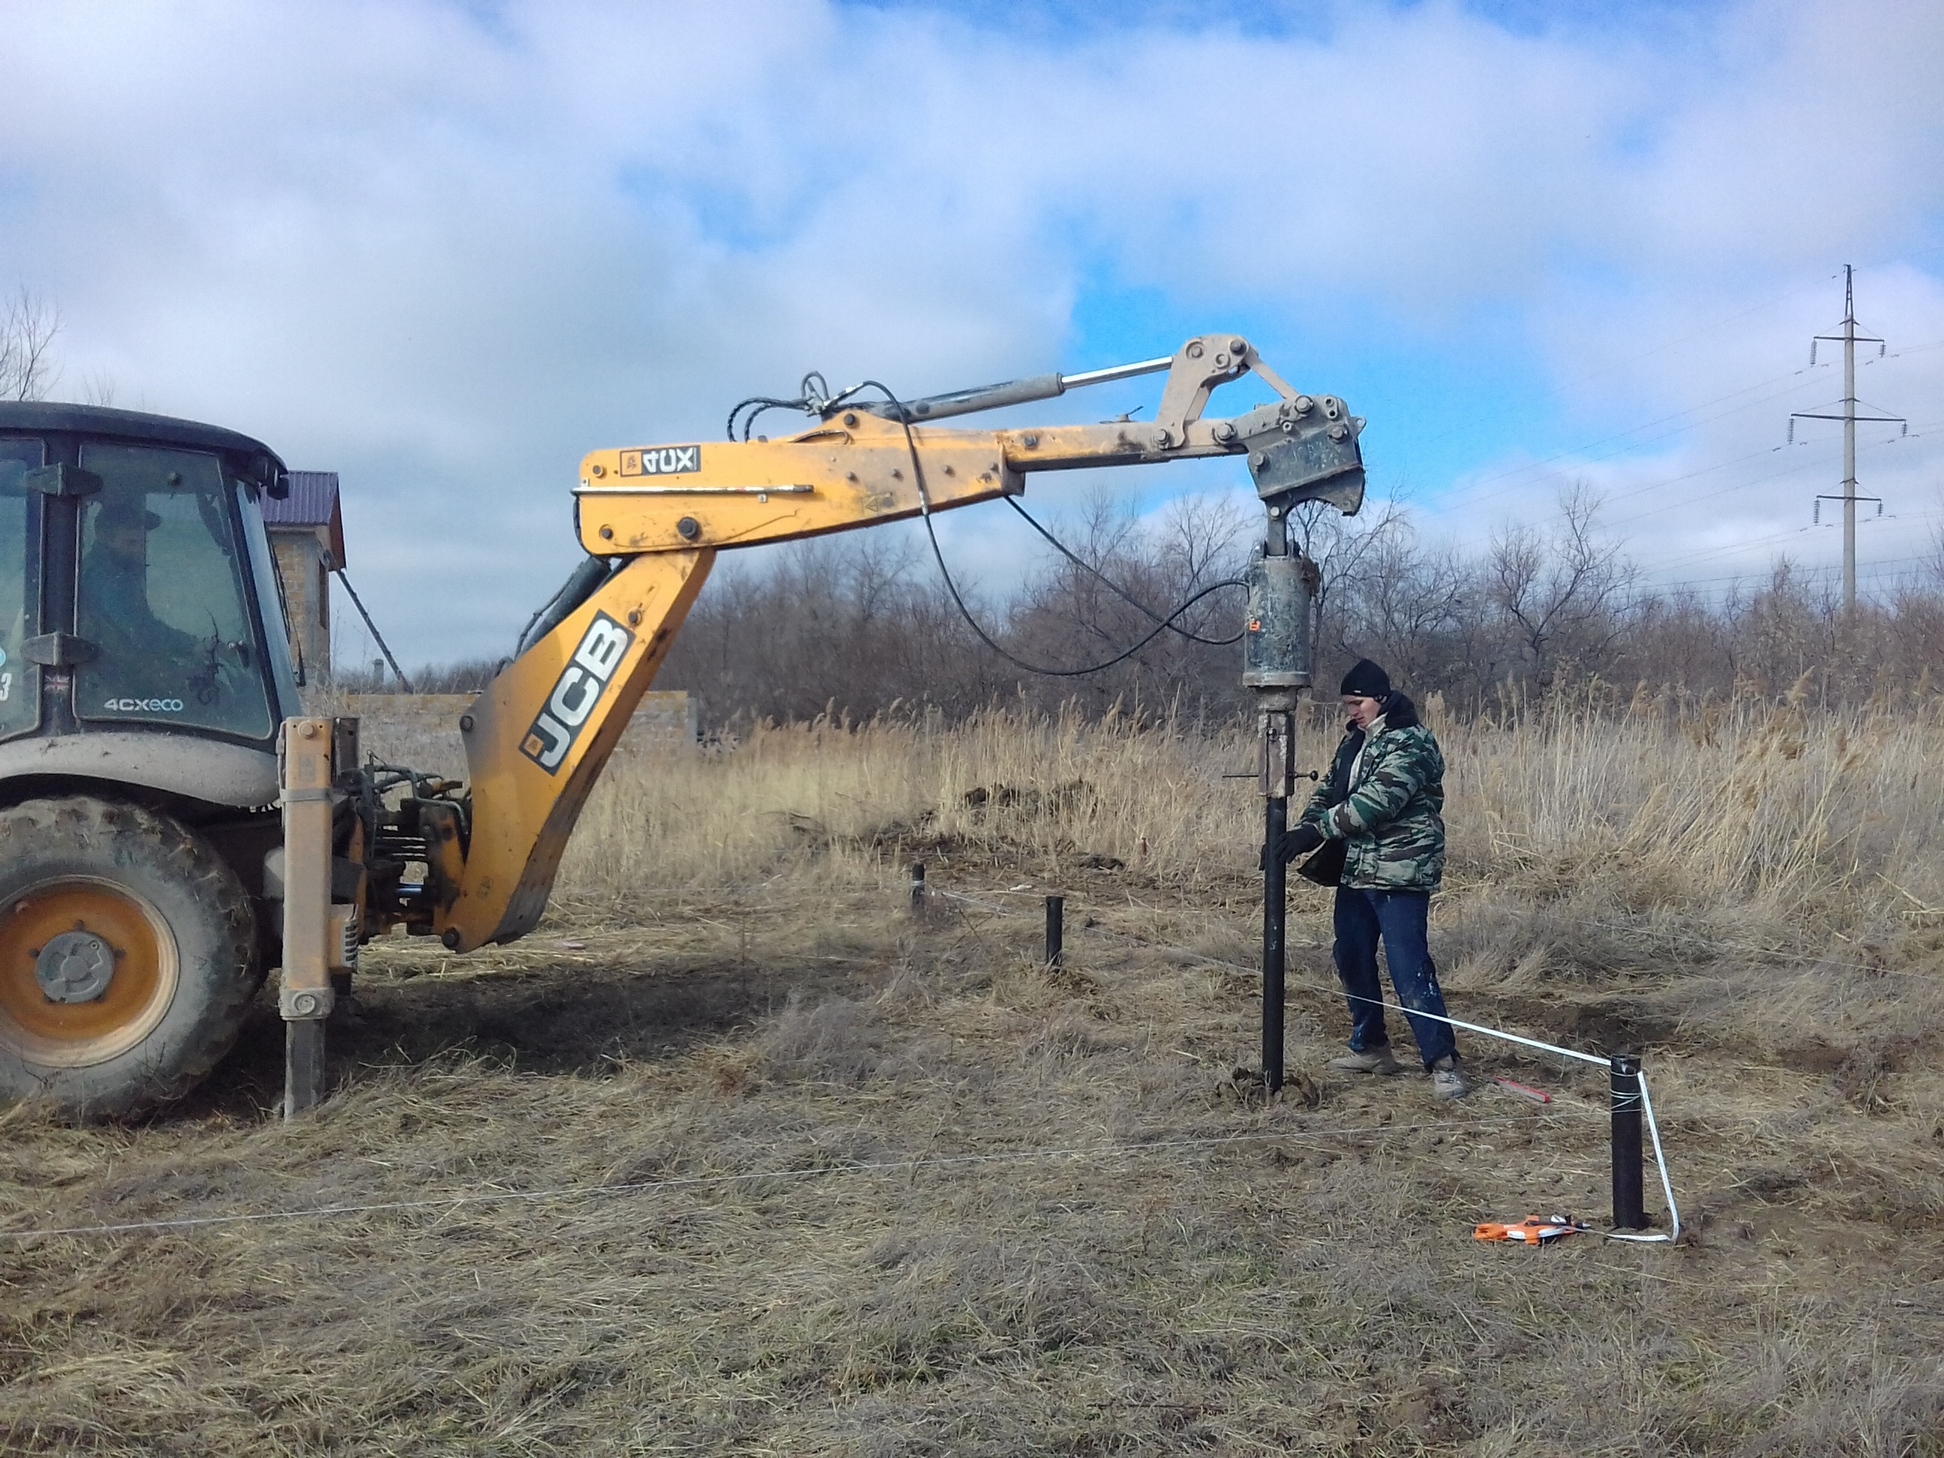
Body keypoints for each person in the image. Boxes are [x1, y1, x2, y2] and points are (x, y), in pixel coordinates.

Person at [1275, 658, 1472, 1100]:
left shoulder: (1412, 743)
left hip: (1400, 872)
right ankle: (1372, 1047)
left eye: (1357, 702)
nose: (1351, 711)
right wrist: (1300, 832)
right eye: (1346, 704)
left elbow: (1377, 801)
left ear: (1380, 699)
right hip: (1357, 868)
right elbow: (1331, 791)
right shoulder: (1354, 742)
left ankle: (1444, 1063)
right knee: (1351, 956)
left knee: (1409, 967)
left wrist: (1316, 830)